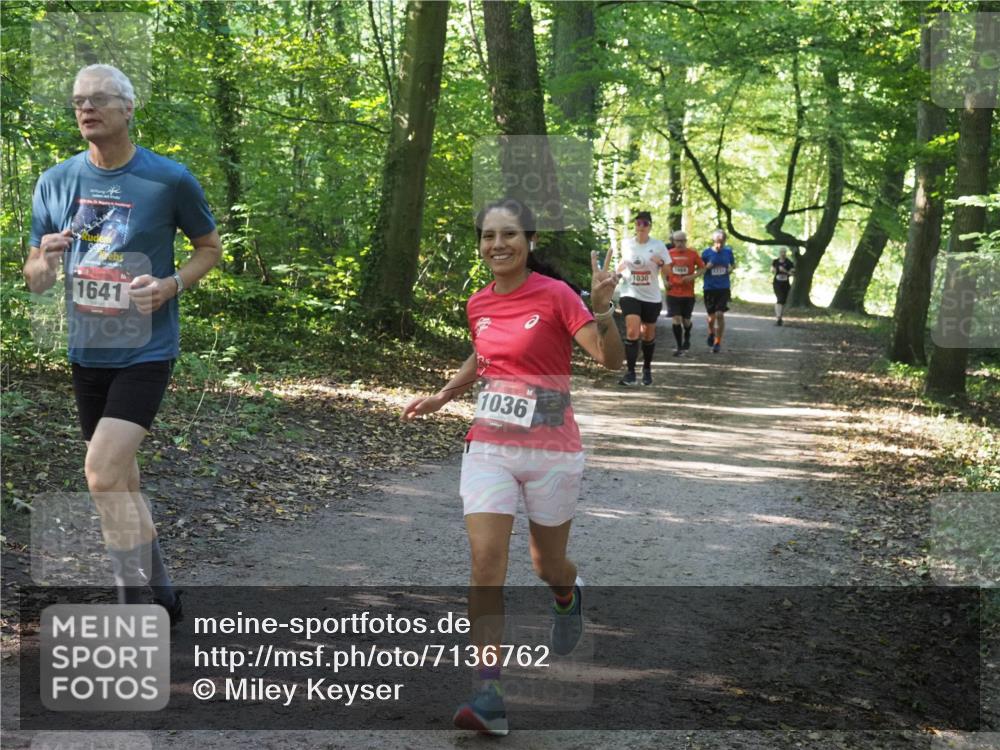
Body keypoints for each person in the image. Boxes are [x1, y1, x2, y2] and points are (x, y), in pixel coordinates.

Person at [402, 198, 623, 736]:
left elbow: (609, 360)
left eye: (509, 235)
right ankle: (488, 693)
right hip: (489, 446)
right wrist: (446, 393)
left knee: (548, 565)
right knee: (485, 562)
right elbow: (484, 354)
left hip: (552, 450)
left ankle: (567, 594)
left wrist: (603, 310)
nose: (497, 245)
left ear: (530, 242)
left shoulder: (556, 295)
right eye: (488, 236)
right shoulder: (478, 302)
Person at [22, 64, 221, 623]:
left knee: (102, 474)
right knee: (123, 481)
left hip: (146, 351)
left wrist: (171, 284)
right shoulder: (55, 181)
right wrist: (45, 258)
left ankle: (132, 608)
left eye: (100, 99)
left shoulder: (169, 179)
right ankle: (164, 595)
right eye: (79, 101)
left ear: (128, 108)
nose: (87, 109)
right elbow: (34, 278)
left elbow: (209, 247)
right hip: (87, 352)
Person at [615, 210, 667, 385]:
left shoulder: (659, 246)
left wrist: (660, 262)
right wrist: (614, 275)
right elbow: (624, 263)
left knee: (648, 335)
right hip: (630, 292)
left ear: (650, 226)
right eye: (638, 223)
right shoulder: (627, 244)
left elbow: (668, 272)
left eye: (645, 223)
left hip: (651, 296)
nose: (641, 227)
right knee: (632, 331)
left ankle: (646, 368)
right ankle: (630, 373)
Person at [661, 230, 705, 355]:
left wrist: (692, 277)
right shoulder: (668, 254)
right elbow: (663, 270)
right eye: (677, 241)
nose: (679, 243)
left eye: (682, 241)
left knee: (686, 321)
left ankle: (687, 334)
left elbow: (703, 268)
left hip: (688, 293)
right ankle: (679, 347)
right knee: (676, 318)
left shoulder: (692, 253)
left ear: (685, 241)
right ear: (673, 241)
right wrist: (665, 281)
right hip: (673, 292)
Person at [701, 229, 736, 354]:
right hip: (709, 288)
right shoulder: (706, 253)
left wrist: (731, 268)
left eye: (721, 242)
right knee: (711, 318)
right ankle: (711, 332)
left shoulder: (728, 252)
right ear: (713, 241)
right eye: (717, 242)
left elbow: (733, 265)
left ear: (725, 241)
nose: (719, 245)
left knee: (720, 314)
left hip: (723, 288)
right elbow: (699, 270)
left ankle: (717, 341)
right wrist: (707, 267)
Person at [771, 247, 795, 325]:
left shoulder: (789, 262)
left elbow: (792, 273)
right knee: (779, 299)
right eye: (781, 252)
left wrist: (785, 271)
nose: (783, 254)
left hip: (785, 283)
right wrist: (774, 270)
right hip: (777, 283)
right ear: (779, 253)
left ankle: (780, 317)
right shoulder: (775, 261)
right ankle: (778, 318)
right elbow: (772, 271)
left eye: (784, 252)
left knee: (783, 301)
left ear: (786, 253)